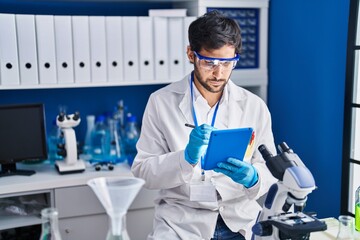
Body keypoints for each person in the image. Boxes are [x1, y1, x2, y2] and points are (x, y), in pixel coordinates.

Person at [131, 10, 277, 240]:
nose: (219, 73)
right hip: (181, 223)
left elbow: (270, 169)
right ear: (191, 54)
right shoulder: (160, 102)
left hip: (240, 219)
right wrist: (185, 158)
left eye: (228, 63)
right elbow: (143, 171)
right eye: (209, 62)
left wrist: (254, 178)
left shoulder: (254, 106)